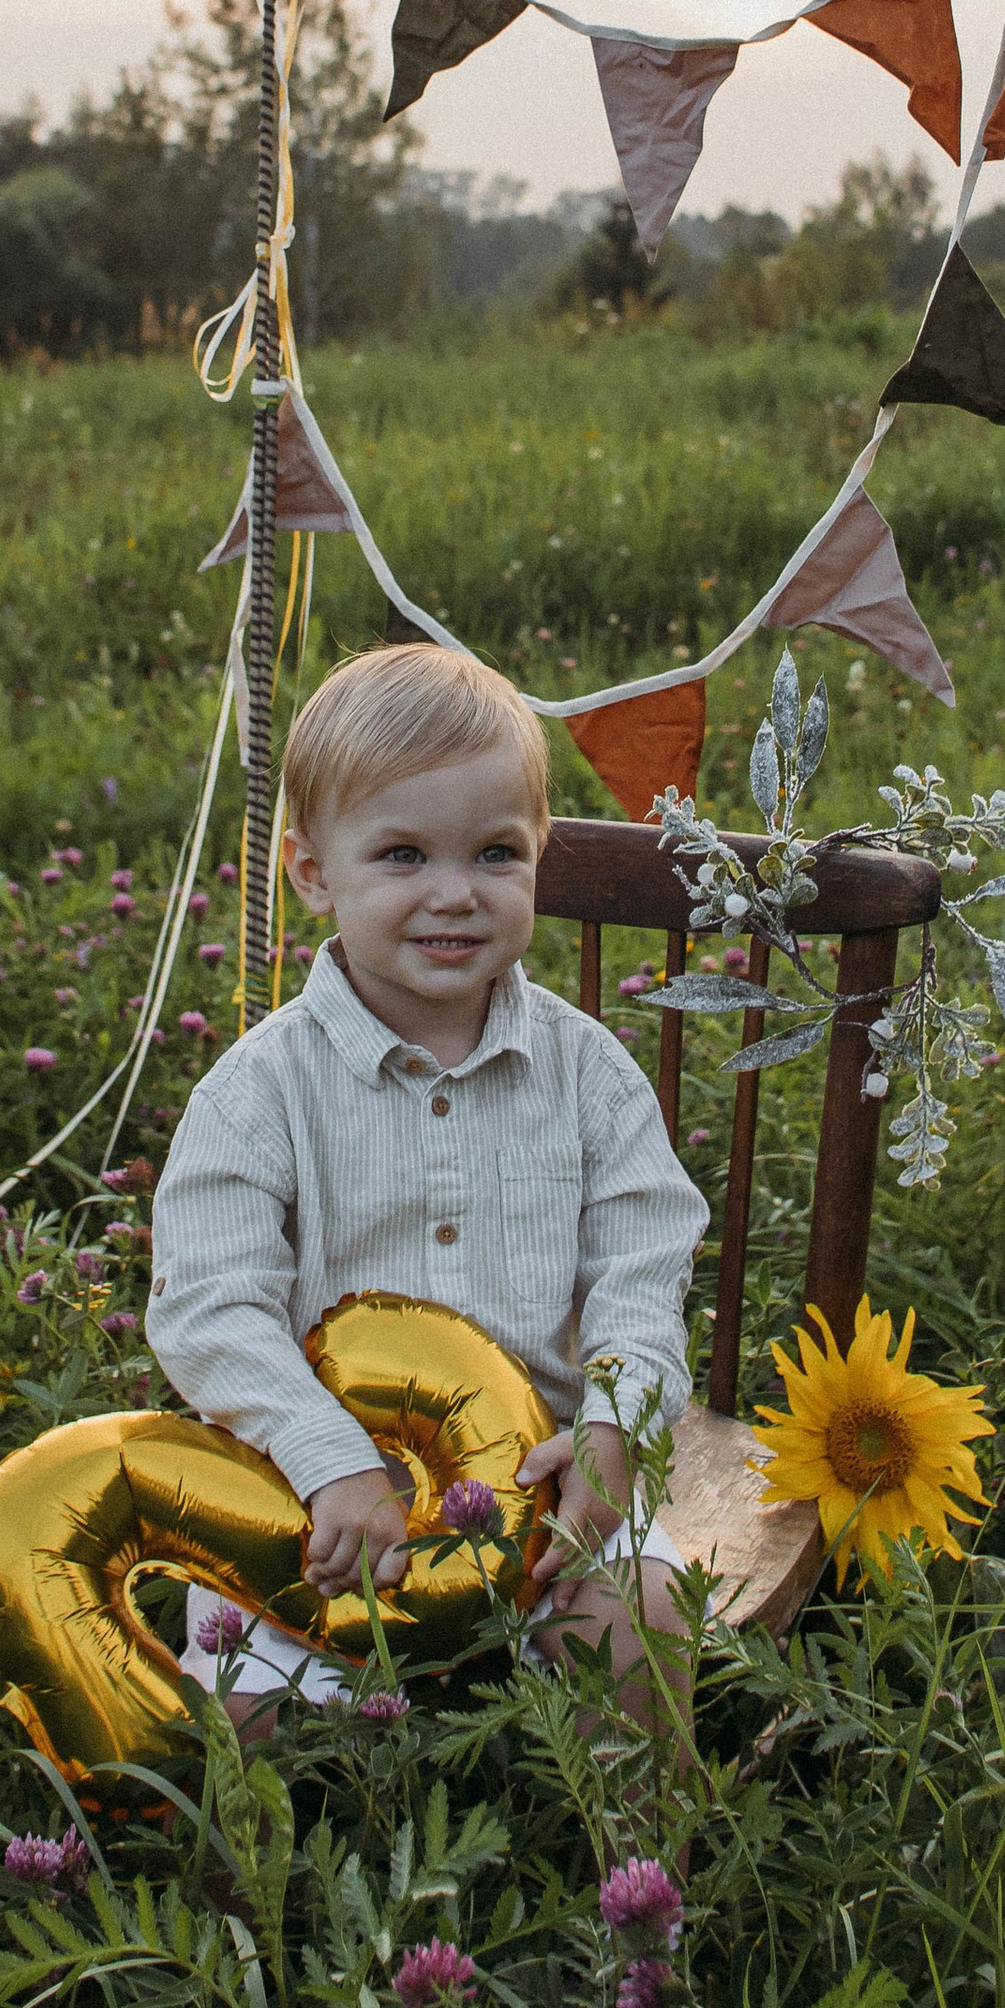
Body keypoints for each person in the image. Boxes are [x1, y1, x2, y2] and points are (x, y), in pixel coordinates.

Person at [146, 641, 706, 1732]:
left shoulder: (589, 1073)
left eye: (495, 853)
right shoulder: (260, 1090)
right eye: (401, 855)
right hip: (327, 1492)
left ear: (540, 852)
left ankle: (638, 1881)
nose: (454, 895)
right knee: (234, 1713)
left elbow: (644, 1267)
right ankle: (248, 1906)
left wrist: (614, 1425)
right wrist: (325, 1458)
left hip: (549, 1479)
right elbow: (210, 1304)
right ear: (312, 872)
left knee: (639, 1621)